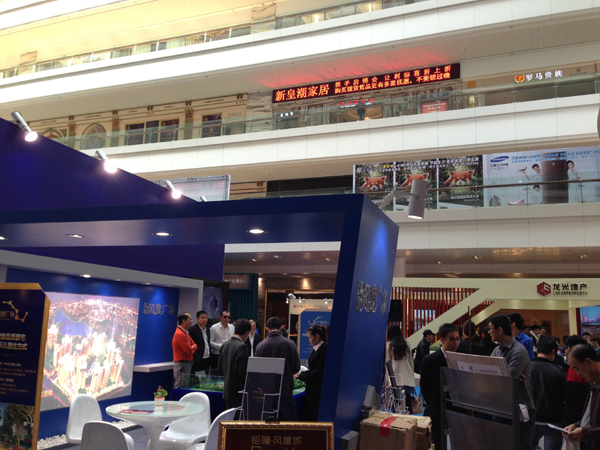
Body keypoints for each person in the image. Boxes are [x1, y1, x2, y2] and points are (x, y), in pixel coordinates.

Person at [489, 314, 535, 450]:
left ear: (500, 330)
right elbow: (489, 374)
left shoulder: (519, 350)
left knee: (521, 444)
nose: (489, 332)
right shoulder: (497, 350)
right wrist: (503, 375)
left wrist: (503, 375)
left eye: (491, 328)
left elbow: (507, 378)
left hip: (521, 407)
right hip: (502, 406)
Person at [420, 323, 460, 450]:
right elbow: (425, 386)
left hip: (457, 407)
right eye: (451, 339)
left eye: (457, 339)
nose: (455, 343)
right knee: (438, 440)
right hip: (438, 407)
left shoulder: (461, 359)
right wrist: (434, 402)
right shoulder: (430, 360)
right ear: (442, 340)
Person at [256, 317, 301, 420]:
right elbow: (296, 368)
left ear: (267, 329)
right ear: (281, 328)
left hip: (266, 393)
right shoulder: (290, 344)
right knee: (288, 426)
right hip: (285, 390)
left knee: (268, 426)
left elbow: (257, 371)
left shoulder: (260, 346)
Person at [530, 336, 566, 450]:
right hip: (553, 421)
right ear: (553, 352)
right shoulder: (558, 371)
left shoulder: (526, 368)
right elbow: (565, 396)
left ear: (537, 350)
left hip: (530, 418)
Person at [564, 344, 600, 449]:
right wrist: (576, 426)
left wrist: (585, 432)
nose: (578, 374)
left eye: (577, 368)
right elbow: (591, 416)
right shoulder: (592, 382)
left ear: (588, 361)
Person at [295, 324, 328, 421]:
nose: (309, 340)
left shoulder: (324, 350)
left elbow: (318, 372)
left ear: (317, 336)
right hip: (312, 389)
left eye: (310, 337)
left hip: (317, 390)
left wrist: (302, 376)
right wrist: (302, 374)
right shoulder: (316, 350)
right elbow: (313, 369)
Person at [218, 319, 251, 411]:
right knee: (238, 418)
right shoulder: (242, 346)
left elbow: (220, 368)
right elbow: (243, 372)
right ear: (247, 333)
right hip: (238, 391)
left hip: (226, 390)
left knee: (229, 416)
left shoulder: (224, 344)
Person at [563, 335, 590, 426]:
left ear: (569, 348)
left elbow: (572, 400)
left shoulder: (573, 370)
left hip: (578, 420)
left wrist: (568, 422)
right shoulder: (586, 366)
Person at [385, 324, 416, 398]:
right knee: (407, 401)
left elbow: (388, 364)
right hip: (407, 378)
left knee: (395, 402)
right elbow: (411, 363)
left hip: (394, 379)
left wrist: (386, 379)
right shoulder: (406, 345)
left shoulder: (388, 345)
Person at [172, 312, 197, 389]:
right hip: (182, 364)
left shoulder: (185, 332)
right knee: (180, 385)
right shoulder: (180, 334)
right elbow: (189, 351)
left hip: (186, 363)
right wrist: (192, 348)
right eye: (190, 319)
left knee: (184, 385)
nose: (192, 321)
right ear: (184, 321)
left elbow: (195, 345)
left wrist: (192, 347)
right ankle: (175, 397)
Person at [188, 310, 211, 374]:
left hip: (207, 358)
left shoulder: (208, 329)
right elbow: (190, 344)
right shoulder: (193, 329)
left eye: (206, 318)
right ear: (197, 319)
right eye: (202, 318)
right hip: (197, 359)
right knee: (196, 377)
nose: (205, 320)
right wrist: (193, 358)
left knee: (205, 377)